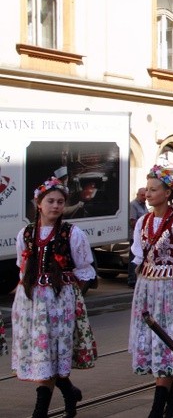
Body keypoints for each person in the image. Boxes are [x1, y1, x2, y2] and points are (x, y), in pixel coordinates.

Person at [12, 176, 97, 418]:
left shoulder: (72, 233)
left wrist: (68, 293)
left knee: (52, 353)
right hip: (31, 301)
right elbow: (23, 265)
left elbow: (84, 268)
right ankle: (68, 392)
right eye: (50, 201)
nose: (56, 206)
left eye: (60, 202)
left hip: (59, 302)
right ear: (39, 204)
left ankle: (40, 412)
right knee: (42, 354)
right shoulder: (26, 233)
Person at [128, 166, 173, 418]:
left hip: (171, 290)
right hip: (148, 287)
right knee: (156, 344)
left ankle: (156, 410)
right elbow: (137, 254)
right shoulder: (143, 222)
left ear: (168, 193)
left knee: (167, 343)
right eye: (147, 188)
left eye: (154, 189)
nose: (148, 193)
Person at [127, 187, 148, 288]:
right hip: (135, 237)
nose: (145, 197)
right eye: (142, 195)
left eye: (145, 195)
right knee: (134, 257)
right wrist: (144, 227)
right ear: (137, 195)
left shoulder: (144, 205)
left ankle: (137, 277)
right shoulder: (133, 205)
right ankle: (132, 279)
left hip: (143, 237)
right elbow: (132, 222)